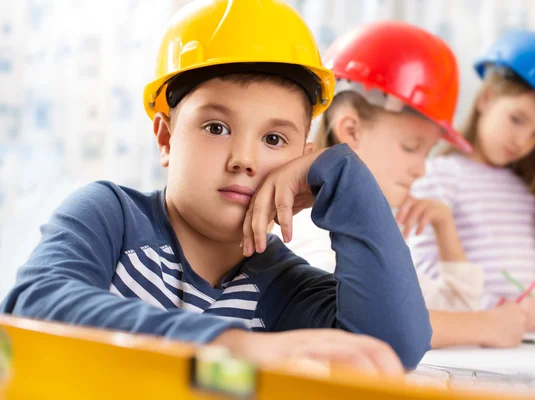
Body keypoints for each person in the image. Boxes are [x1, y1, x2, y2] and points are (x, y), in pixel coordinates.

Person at [0, 0, 432, 373]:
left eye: (274, 140)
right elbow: (35, 304)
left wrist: (342, 174)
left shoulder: (285, 287)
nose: (243, 159)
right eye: (216, 126)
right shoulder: (109, 215)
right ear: (166, 139)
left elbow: (392, 350)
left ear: (302, 159)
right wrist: (234, 346)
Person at [273, 21, 527, 348]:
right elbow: (359, 320)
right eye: (411, 147)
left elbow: (453, 308)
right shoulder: (310, 225)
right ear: (350, 130)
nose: (421, 170)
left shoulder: (373, 231)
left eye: (428, 151)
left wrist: (444, 225)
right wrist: (483, 327)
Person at [406, 30, 535, 332]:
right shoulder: (441, 174)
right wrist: (497, 310)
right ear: (485, 99)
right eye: (517, 119)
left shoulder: (524, 188)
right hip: (469, 337)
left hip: (518, 341)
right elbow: (423, 273)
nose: (522, 141)